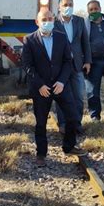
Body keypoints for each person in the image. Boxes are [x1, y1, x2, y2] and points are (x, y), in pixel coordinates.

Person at [22, 9, 87, 167]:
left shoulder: (61, 37)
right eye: (44, 19)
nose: (47, 21)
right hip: (41, 88)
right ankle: (41, 154)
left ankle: (69, 146)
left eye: (50, 18)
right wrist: (40, 85)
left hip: (60, 86)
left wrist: (62, 82)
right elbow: (27, 66)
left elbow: (67, 62)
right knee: (41, 122)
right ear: (37, 22)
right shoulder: (29, 40)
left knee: (72, 117)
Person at [54, 0, 91, 135]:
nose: (67, 7)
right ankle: (62, 124)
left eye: (70, 4)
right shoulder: (54, 22)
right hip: (60, 66)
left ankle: (76, 123)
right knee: (61, 96)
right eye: (65, 4)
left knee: (79, 97)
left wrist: (87, 61)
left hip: (77, 65)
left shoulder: (79, 21)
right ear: (59, 7)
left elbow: (85, 42)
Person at [84, 0, 104, 121]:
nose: (93, 11)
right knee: (92, 90)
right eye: (91, 9)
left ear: (100, 9)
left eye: (95, 8)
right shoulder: (85, 24)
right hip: (93, 62)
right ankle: (94, 115)